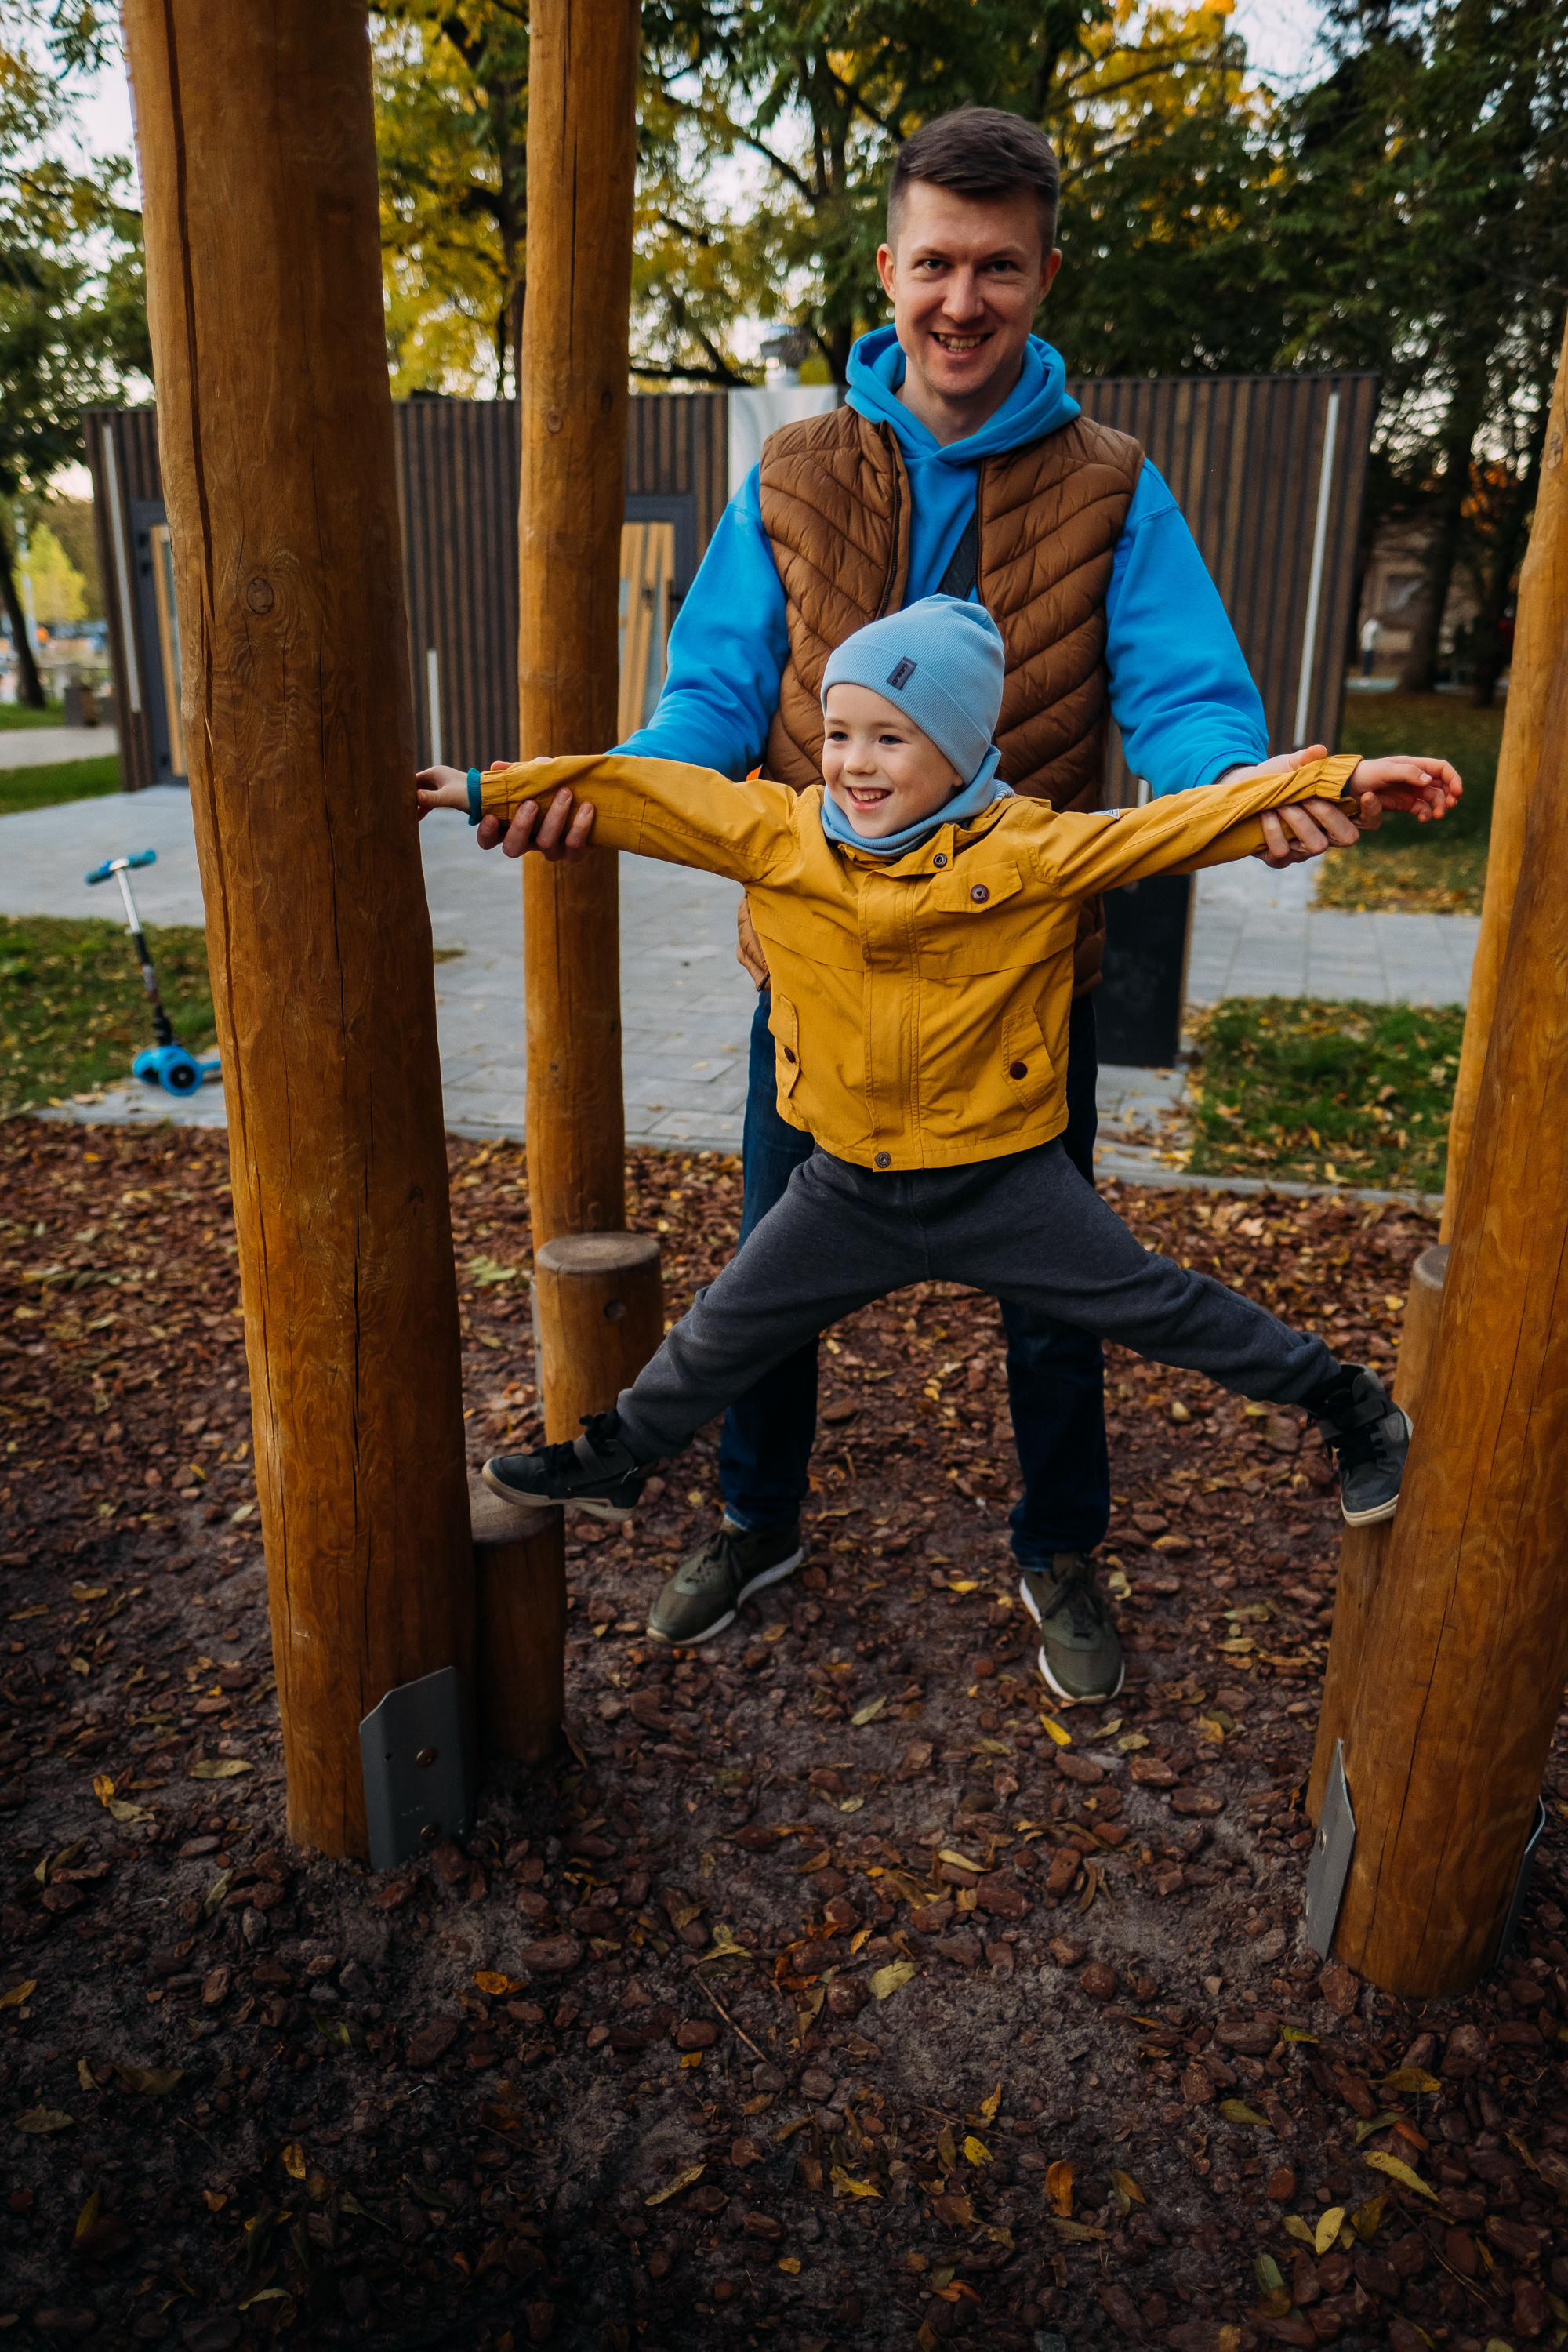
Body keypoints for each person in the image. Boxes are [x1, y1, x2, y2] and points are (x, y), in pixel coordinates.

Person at [477, 107, 1407, 1702]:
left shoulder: (1112, 484)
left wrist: (1245, 792)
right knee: (768, 1276)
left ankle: (1059, 1548)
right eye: (934, 265)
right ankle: (754, 1518)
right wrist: (617, 790)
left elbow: (1183, 696)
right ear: (888, 269)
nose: (961, 301)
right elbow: (712, 694)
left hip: (1016, 988)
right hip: (820, 970)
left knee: (1059, 1296)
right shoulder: (793, 473)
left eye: (997, 268)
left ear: (1043, 276)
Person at [420, 597, 1460, 1694]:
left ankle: (1347, 1405)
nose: (855, 764)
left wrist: (1338, 779)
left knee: (1156, 1305)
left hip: (1003, 1184)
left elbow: (1176, 827)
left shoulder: (1032, 848)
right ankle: (618, 1457)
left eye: (891, 737)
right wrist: (491, 790)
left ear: (961, 750)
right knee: (727, 1325)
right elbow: (651, 795)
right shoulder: (779, 834)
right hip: (846, 1186)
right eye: (838, 733)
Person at [1360, 614, 1383, 678]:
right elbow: (1379, 632)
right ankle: (1367, 674)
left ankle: (1365, 674)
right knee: (1369, 661)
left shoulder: (1367, 624)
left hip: (1365, 645)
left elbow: (1362, 634)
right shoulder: (1375, 624)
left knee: (1366, 660)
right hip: (1370, 646)